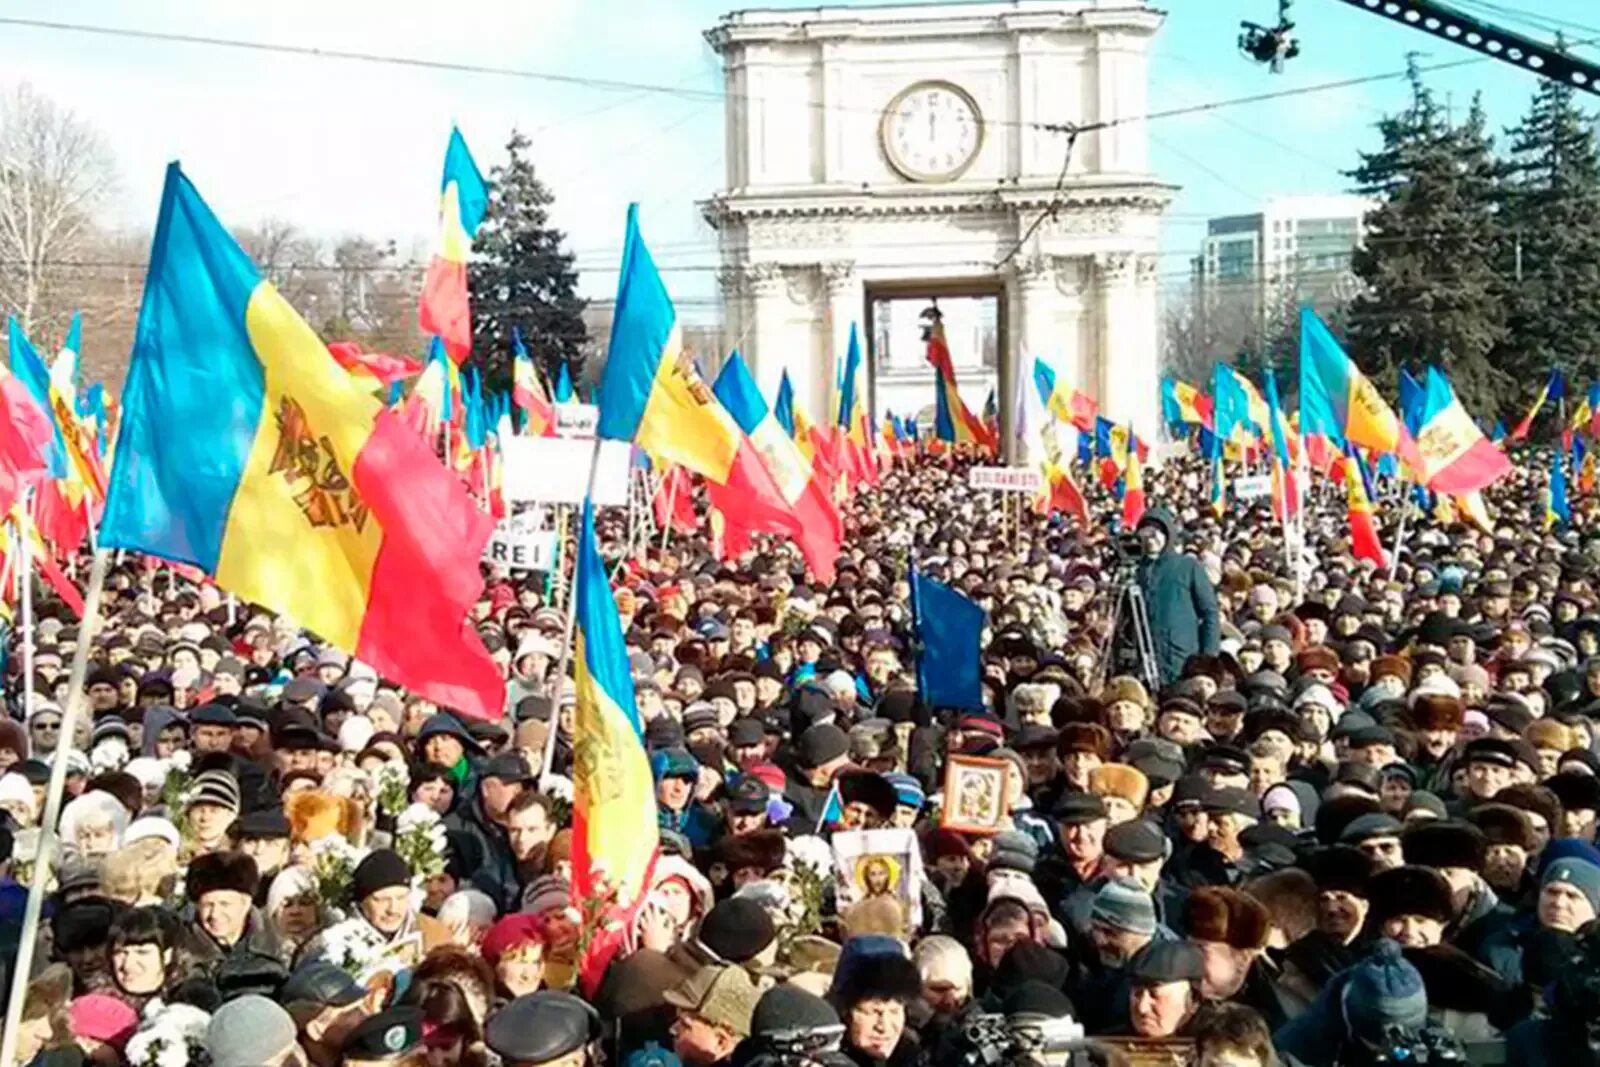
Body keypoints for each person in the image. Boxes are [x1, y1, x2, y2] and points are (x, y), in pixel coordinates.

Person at [1131, 507, 1221, 686]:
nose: (1151, 539)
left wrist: (1207, 660)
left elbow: (1210, 613)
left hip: (1182, 660)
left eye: (1156, 533)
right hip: (1144, 660)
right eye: (1146, 533)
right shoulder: (1135, 570)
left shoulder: (1187, 566)